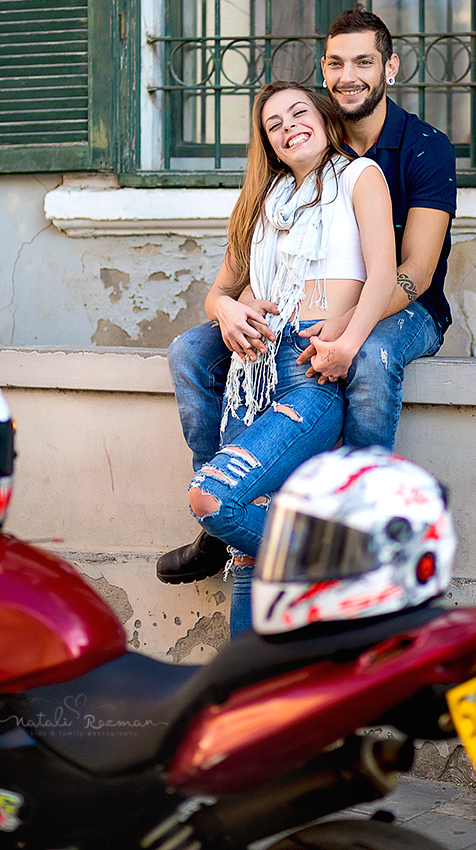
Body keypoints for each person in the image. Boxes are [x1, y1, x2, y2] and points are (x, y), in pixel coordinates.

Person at [161, 6, 456, 590]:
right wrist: (235, 306)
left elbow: (414, 272)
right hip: (304, 314)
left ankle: (358, 517)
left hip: (408, 308)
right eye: (338, 63)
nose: (350, 75)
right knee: (192, 352)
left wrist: (343, 324)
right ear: (325, 71)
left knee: (370, 357)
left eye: (365, 62)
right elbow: (275, 256)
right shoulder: (309, 138)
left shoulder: (423, 148)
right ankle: (222, 522)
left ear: (390, 67)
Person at [172, 80, 396, 634]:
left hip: (308, 373)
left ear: (322, 118)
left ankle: (343, 557)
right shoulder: (264, 200)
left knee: (214, 501)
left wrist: (346, 343)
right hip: (252, 373)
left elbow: (385, 276)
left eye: (298, 113)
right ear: (269, 144)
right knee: (249, 555)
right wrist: (226, 311)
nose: (288, 127)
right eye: (274, 125)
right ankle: (252, 703)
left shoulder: (360, 177)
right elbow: (219, 291)